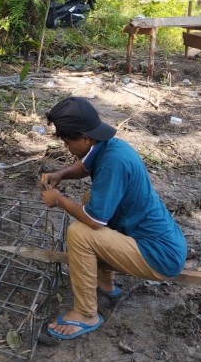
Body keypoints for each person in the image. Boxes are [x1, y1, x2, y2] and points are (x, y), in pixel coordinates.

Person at [39, 96, 187, 340]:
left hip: (160, 256)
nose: (66, 147)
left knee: (80, 232)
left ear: (85, 138)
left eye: (67, 142)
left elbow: (94, 221)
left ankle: (86, 313)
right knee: (90, 198)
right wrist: (61, 174)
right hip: (159, 242)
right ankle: (105, 285)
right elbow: (86, 167)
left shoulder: (112, 164)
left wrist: (58, 199)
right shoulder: (110, 147)